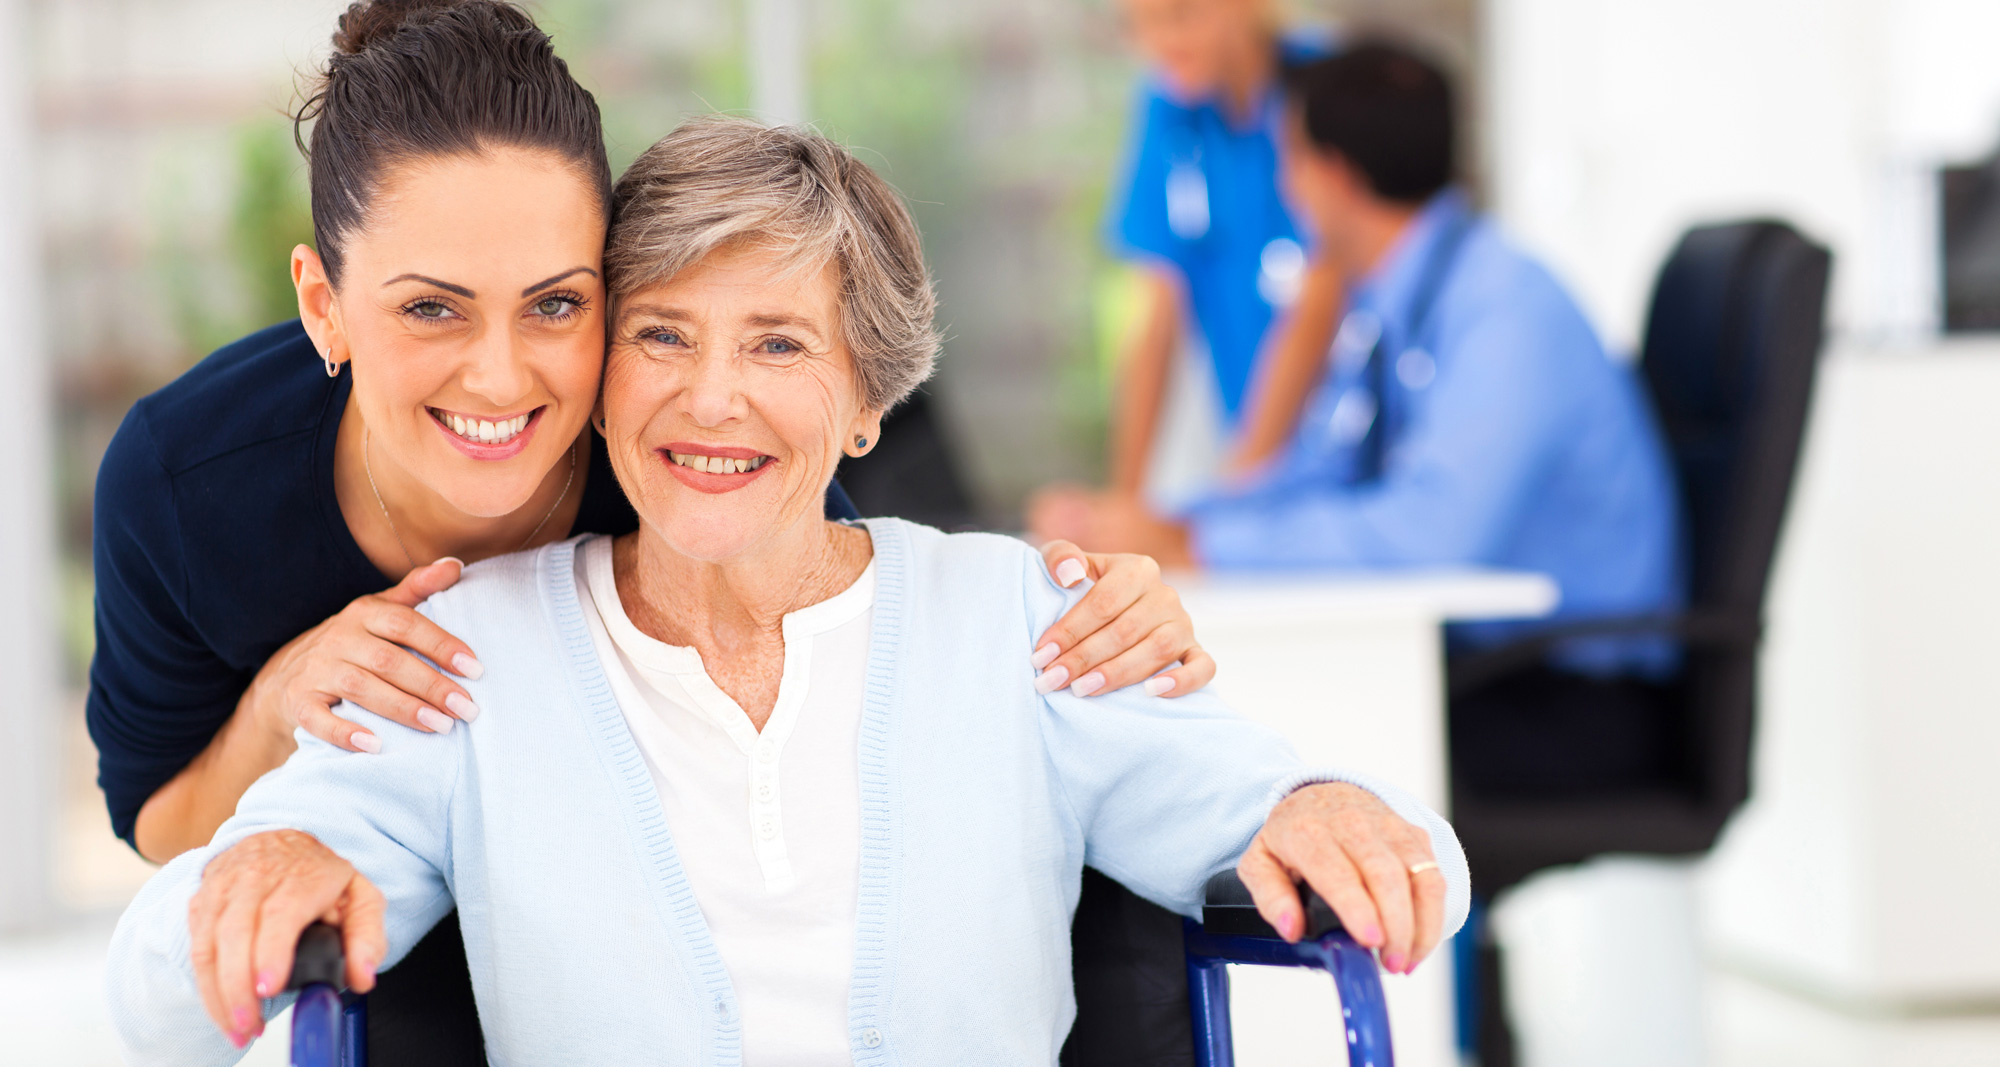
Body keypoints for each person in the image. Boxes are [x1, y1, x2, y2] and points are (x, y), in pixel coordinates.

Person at [106, 117, 1469, 1064]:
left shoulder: (1019, 625)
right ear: (601, 382)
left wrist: (1323, 805)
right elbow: (156, 991)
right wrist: (256, 866)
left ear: (867, 401)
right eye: (661, 335)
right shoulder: (471, 652)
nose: (713, 397)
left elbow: (1406, 860)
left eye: (778, 341)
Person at [1032, 43, 1683, 685]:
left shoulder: (1506, 309)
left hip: (1571, 684)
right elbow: (1326, 469)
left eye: (1290, 159)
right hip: (1492, 661)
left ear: (1335, 175)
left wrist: (1200, 546)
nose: (1286, 186)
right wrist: (1171, 522)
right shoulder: (1396, 302)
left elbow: (1429, 534)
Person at [1103, 0, 1343, 506]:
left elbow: (1321, 297)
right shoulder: (1168, 107)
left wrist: (1238, 490)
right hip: (1249, 451)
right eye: (1138, 24)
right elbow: (1158, 313)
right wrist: (1124, 505)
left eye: (1181, 14)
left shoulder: (1329, 84)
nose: (1161, 42)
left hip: (1339, 444)